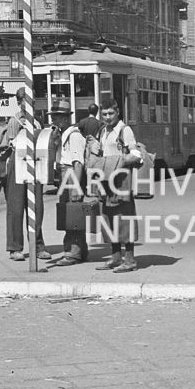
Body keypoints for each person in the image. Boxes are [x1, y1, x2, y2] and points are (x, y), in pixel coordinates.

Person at [86, 97, 143, 273]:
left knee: (124, 218)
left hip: (121, 180)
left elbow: (135, 154)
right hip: (105, 180)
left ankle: (130, 259)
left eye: (111, 113)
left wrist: (116, 162)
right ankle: (116, 257)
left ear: (118, 112)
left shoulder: (124, 130)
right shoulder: (103, 130)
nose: (108, 117)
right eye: (104, 114)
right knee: (109, 217)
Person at [5, 86, 51, 262]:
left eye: (33, 99)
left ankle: (38, 245)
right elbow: (11, 146)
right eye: (26, 100)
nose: (31, 103)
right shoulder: (15, 121)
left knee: (37, 208)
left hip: (36, 166)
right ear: (19, 102)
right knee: (16, 209)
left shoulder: (38, 121)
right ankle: (15, 248)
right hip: (17, 166)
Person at [49, 99, 90, 266]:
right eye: (53, 116)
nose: (53, 120)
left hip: (70, 175)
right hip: (65, 174)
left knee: (71, 217)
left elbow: (78, 163)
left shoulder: (74, 136)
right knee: (72, 215)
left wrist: (75, 187)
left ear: (66, 118)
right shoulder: (64, 134)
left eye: (57, 117)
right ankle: (80, 251)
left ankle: (73, 253)